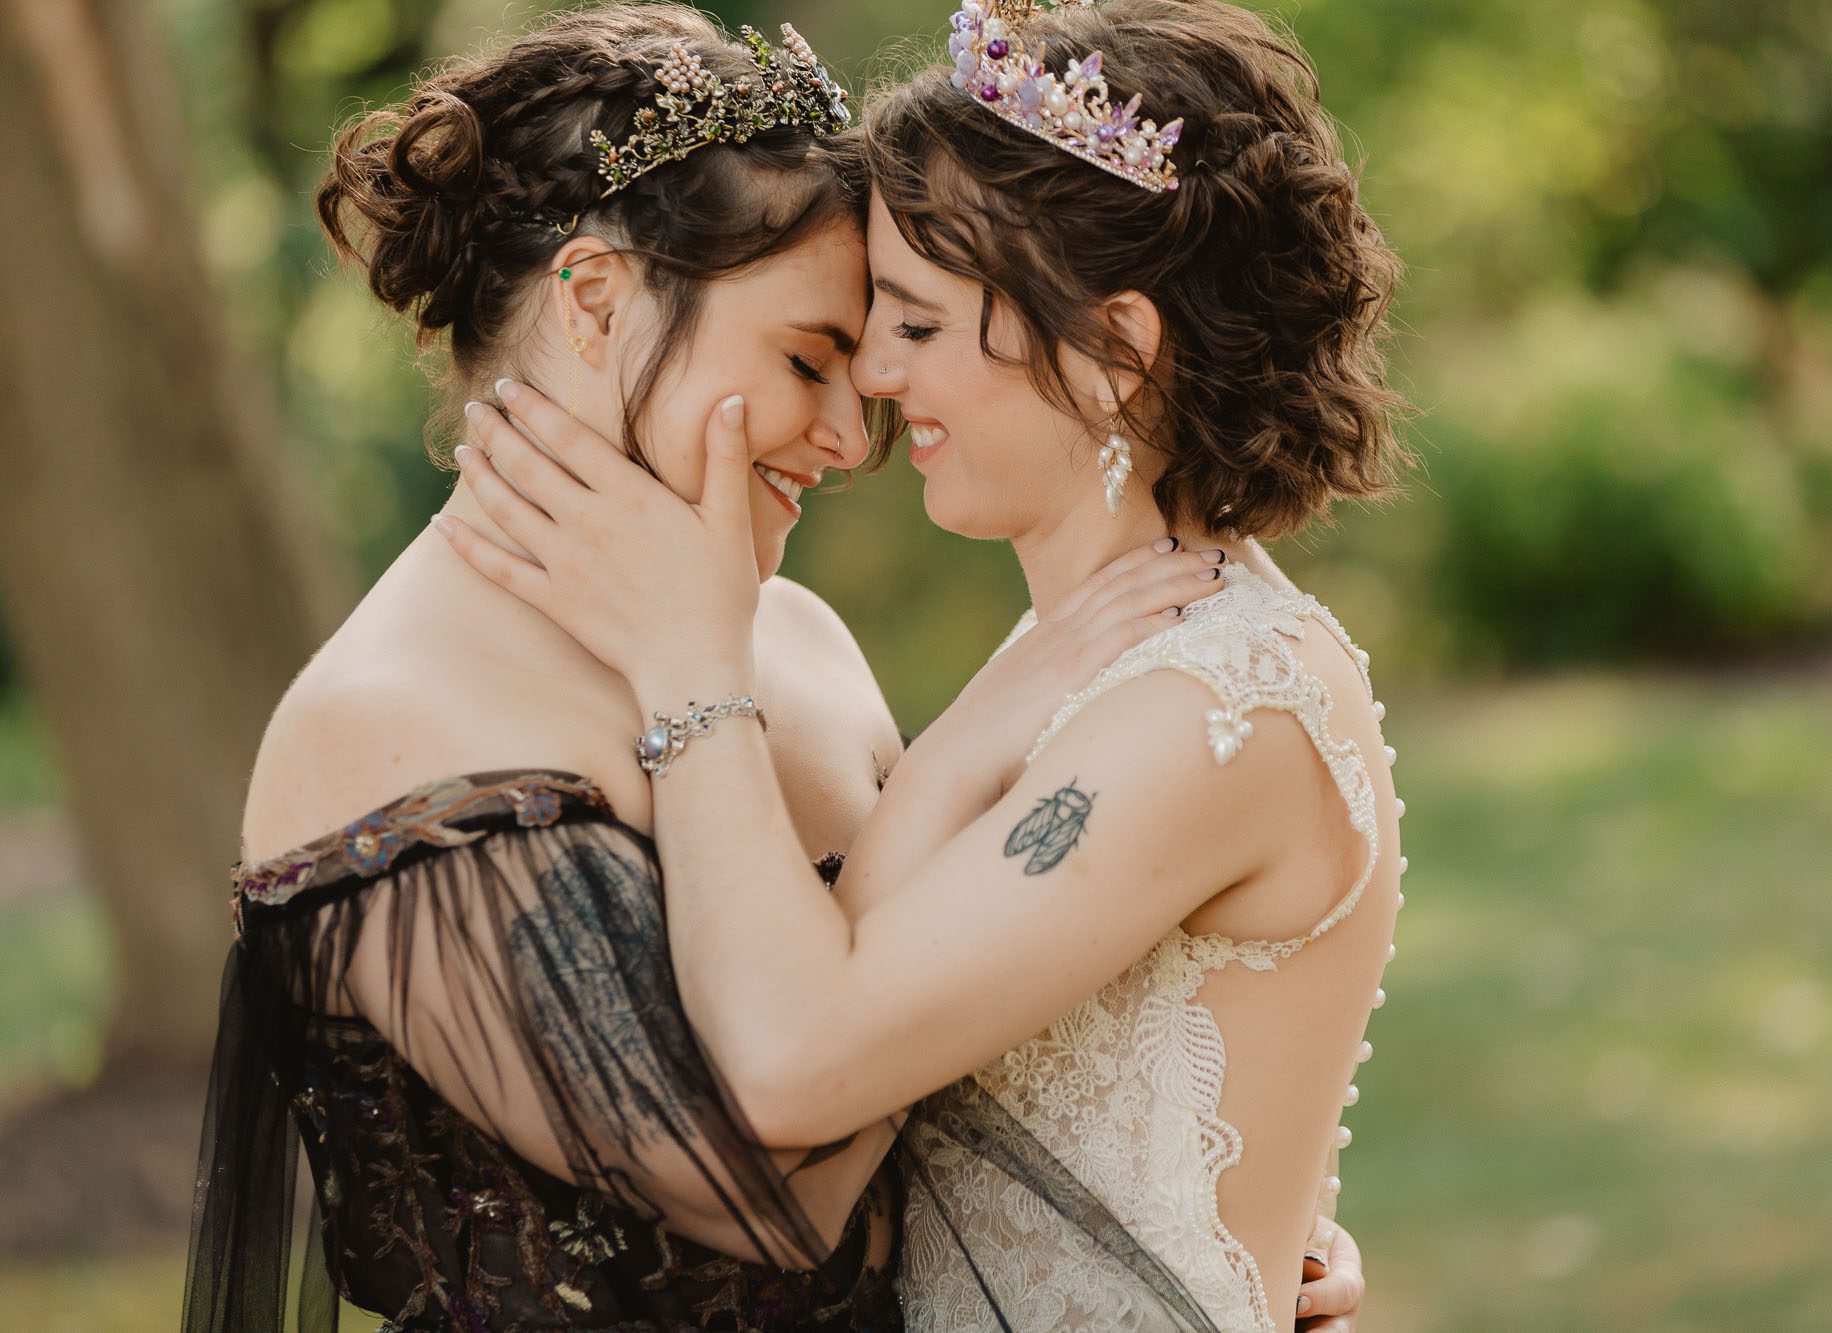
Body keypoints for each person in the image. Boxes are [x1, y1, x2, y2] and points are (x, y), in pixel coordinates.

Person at [181, 4, 1365, 1330]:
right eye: (810, 358)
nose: (852, 433)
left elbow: (932, 1057)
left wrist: (1186, 1230)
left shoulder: (794, 644)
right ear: (593, 302)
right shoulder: (386, 728)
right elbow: (778, 1191)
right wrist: (963, 742)